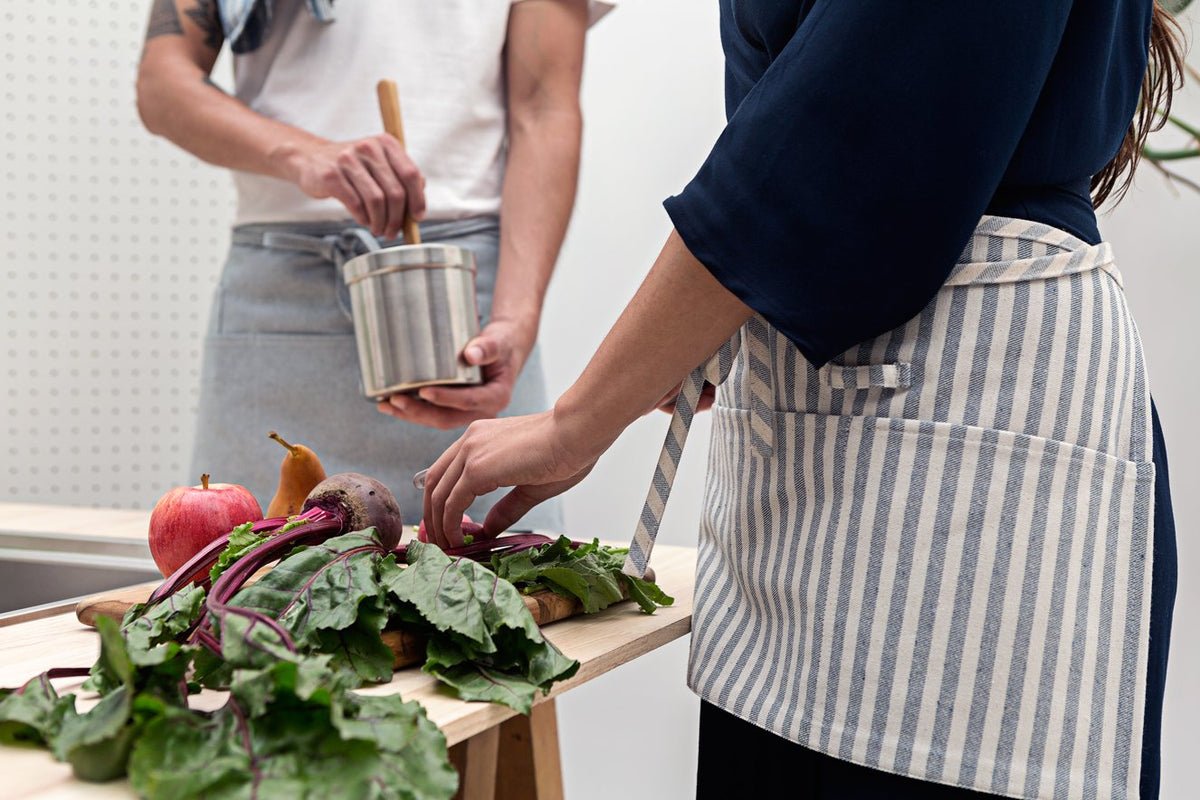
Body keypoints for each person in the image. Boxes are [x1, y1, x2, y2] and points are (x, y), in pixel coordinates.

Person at [421, 2, 1183, 798]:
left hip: (973, 453)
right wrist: (723, 320)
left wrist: (579, 421)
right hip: (840, 447)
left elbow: (839, 133)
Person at [135, 0, 610, 529]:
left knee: (504, 591)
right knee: (246, 580)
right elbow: (163, 83)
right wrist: (301, 153)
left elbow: (544, 107)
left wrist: (515, 322)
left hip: (462, 313)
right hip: (280, 308)